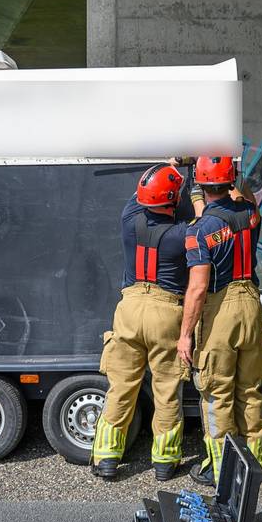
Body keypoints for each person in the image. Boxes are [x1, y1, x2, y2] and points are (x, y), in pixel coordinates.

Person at [91, 162, 192, 481]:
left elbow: (143, 193)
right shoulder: (181, 234)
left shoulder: (128, 221)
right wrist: (191, 179)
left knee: (121, 388)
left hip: (130, 309)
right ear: (172, 200)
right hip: (166, 313)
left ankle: (107, 458)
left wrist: (173, 164)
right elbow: (203, 222)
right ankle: (164, 462)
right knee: (166, 390)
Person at [177, 156, 262, 485]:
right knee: (251, 389)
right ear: (230, 182)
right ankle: (256, 465)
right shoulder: (250, 214)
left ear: (201, 185)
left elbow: (199, 288)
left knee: (217, 393)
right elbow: (247, 199)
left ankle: (222, 469)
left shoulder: (200, 231)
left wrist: (186, 335)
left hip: (221, 308)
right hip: (252, 305)